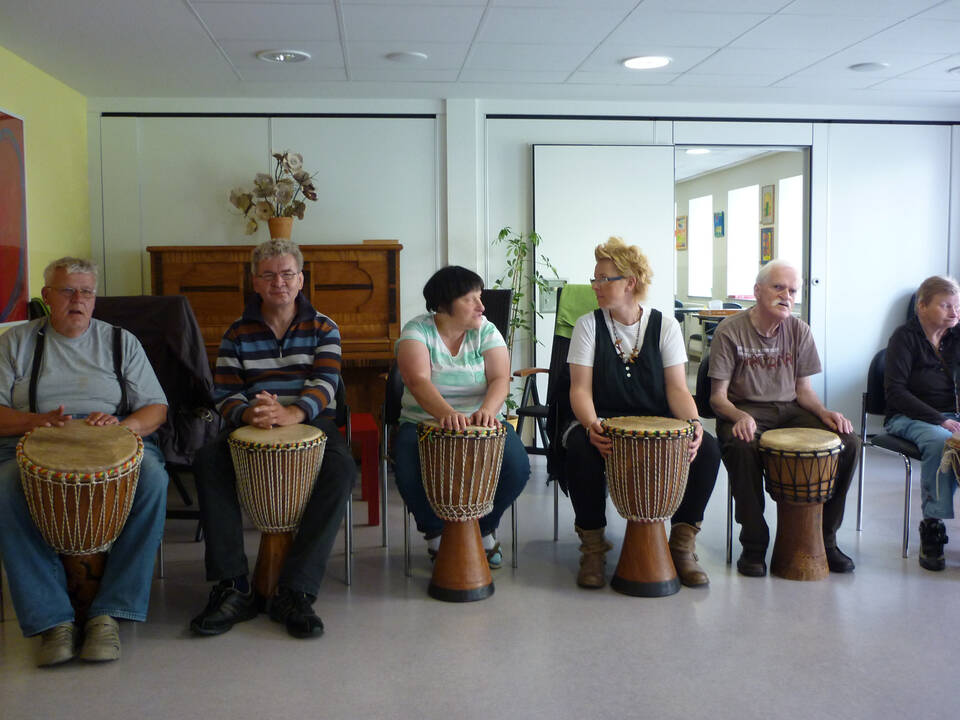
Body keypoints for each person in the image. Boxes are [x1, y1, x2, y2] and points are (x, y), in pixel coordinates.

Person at [0, 257, 168, 666]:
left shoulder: (119, 341)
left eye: (87, 292)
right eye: (68, 290)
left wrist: (123, 427)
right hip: (30, 439)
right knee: (5, 486)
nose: (78, 299)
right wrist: (38, 421)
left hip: (111, 439)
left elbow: (156, 407)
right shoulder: (15, 342)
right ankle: (52, 620)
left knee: (152, 478)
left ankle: (109, 612)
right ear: (47, 297)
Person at [190, 239, 353, 639]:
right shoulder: (236, 332)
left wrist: (292, 413)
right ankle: (232, 584)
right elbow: (225, 392)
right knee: (208, 460)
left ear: (301, 279)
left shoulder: (324, 327)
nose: (278, 282)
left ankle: (297, 590)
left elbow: (326, 383)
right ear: (255, 282)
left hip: (314, 424)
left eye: (287, 274)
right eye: (269, 275)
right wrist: (250, 413)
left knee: (342, 470)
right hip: (253, 424)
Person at [564, 237, 720, 588]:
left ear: (630, 282)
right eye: (595, 278)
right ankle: (592, 548)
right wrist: (592, 424)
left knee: (707, 448)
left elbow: (678, 388)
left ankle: (682, 545)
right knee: (580, 449)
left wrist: (693, 423)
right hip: (601, 419)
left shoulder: (664, 326)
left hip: (656, 421)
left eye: (604, 279)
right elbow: (579, 389)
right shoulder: (588, 326)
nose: (595, 286)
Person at [709, 259, 859, 577]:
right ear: (757, 291)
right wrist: (738, 416)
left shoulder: (799, 330)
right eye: (779, 287)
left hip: (791, 410)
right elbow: (717, 398)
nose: (787, 296)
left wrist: (824, 413)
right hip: (744, 410)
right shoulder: (730, 330)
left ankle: (826, 540)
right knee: (742, 447)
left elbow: (804, 392)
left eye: (792, 290)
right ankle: (754, 545)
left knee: (848, 442)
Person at [393, 266, 529, 566]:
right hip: (422, 423)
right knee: (406, 467)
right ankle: (436, 533)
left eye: (480, 297)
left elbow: (500, 379)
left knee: (518, 467)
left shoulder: (486, 330)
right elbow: (417, 380)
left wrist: (487, 412)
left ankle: (482, 529)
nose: (481, 306)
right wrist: (447, 414)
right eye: (471, 299)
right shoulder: (417, 331)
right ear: (445, 303)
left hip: (482, 420)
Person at [884, 275, 960, 571]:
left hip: (952, 417)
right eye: (945, 306)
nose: (954, 312)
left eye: (957, 306)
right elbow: (896, 393)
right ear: (922, 306)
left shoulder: (957, 337)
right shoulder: (903, 339)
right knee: (944, 443)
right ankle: (933, 528)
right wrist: (940, 420)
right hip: (909, 417)